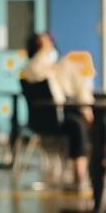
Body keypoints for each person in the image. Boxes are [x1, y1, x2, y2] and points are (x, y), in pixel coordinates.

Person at [21, 31, 93, 191]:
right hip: (49, 118)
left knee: (95, 122)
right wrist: (44, 52)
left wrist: (86, 107)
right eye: (43, 44)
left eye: (49, 42)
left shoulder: (61, 66)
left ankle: (97, 169)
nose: (49, 46)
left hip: (69, 110)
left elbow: (80, 87)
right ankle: (78, 177)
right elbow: (36, 69)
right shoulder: (32, 68)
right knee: (76, 126)